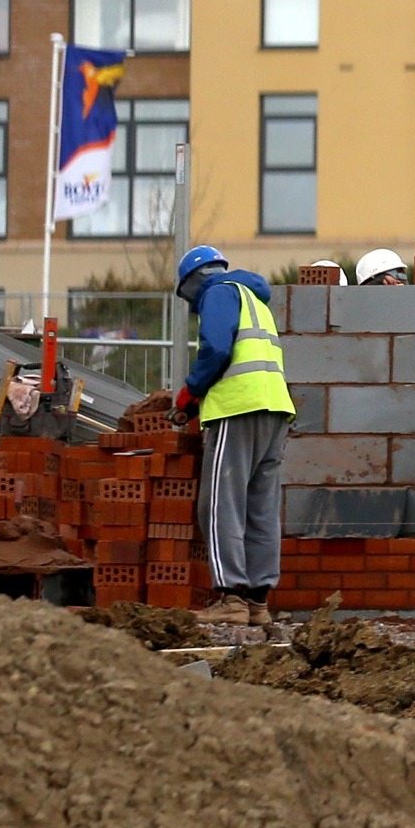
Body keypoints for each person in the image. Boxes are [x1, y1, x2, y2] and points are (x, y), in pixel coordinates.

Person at [172, 243, 297, 629]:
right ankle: (257, 603)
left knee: (219, 504)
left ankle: (230, 598)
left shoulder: (219, 292)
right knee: (260, 509)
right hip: (274, 408)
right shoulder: (253, 297)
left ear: (194, 280)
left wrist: (190, 393)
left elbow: (218, 347)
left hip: (237, 408)